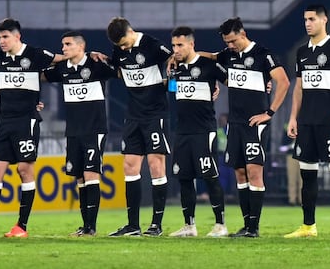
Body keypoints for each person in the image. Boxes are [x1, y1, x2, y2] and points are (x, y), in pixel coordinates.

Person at [0, 18, 68, 238]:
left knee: (24, 170)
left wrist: (87, 56)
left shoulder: (36, 55)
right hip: (4, 122)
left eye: (5, 37)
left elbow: (63, 59)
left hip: (25, 121)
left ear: (17, 36)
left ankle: (21, 227)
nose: (1, 41)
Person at [284, 5, 330, 239]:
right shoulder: (302, 52)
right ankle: (308, 226)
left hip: (329, 122)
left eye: (312, 19)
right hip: (306, 122)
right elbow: (299, 87)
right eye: (305, 19)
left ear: (324, 20)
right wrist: (294, 117)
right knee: (307, 175)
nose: (307, 23)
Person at [213, 17, 290, 237]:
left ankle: (254, 228)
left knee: (254, 172)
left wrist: (269, 113)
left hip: (255, 124)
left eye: (233, 40)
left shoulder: (262, 54)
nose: (230, 45)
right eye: (226, 41)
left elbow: (283, 81)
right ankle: (246, 225)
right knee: (239, 172)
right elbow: (212, 57)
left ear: (243, 33)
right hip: (235, 124)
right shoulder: (230, 55)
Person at [42, 31, 117, 236]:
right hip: (73, 131)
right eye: (62, 44)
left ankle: (91, 227)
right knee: (79, 178)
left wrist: (105, 56)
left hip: (94, 129)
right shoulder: (62, 69)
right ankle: (85, 225)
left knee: (91, 175)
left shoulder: (95, 65)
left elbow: (119, 70)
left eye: (67, 44)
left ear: (80, 47)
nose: (63, 48)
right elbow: (40, 76)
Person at [106, 17, 173, 237]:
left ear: (131, 31)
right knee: (130, 166)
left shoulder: (151, 44)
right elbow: (117, 70)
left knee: (155, 165)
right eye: (119, 46)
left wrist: (170, 80)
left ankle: (156, 224)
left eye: (124, 43)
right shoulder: (119, 51)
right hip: (133, 115)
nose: (123, 48)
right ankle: (133, 225)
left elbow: (175, 59)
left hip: (155, 113)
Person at [165, 26, 230, 237]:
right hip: (182, 131)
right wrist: (169, 76)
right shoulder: (175, 68)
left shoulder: (208, 65)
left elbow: (232, 81)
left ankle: (220, 225)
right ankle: (189, 226)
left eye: (180, 45)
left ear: (192, 44)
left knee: (210, 176)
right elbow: (173, 93)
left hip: (204, 131)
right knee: (184, 177)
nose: (176, 49)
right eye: (174, 45)